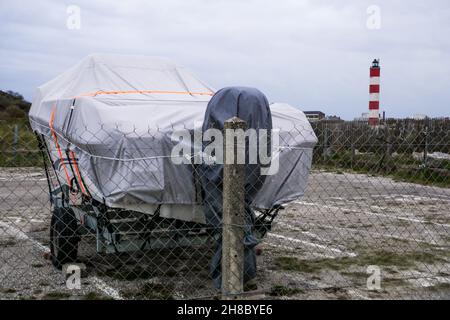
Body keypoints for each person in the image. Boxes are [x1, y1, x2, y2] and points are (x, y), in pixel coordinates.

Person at [200, 86, 272, 289]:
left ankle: (233, 279)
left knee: (228, 222)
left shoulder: (217, 134)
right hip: (250, 171)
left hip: (219, 175)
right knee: (239, 218)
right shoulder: (259, 141)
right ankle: (243, 275)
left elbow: (211, 157)